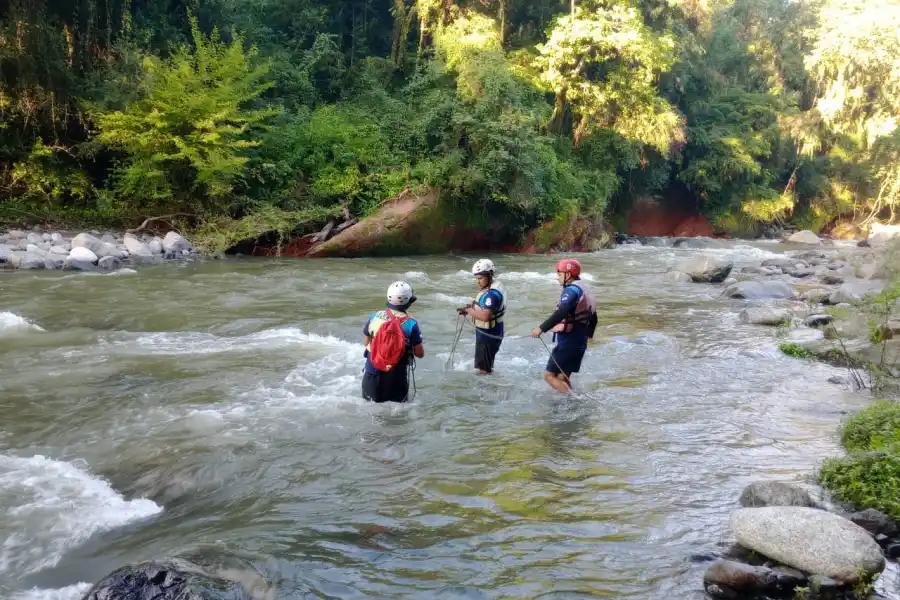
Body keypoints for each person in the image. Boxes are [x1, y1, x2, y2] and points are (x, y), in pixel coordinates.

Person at [531, 258, 598, 393]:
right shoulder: (584, 288)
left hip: (569, 341)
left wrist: (541, 328)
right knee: (562, 376)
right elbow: (594, 317)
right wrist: (589, 334)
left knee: (549, 376)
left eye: (560, 273)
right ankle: (569, 402)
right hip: (580, 340)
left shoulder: (571, 291)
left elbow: (562, 312)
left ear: (568, 274)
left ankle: (573, 400)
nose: (557, 277)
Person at [362, 281, 425, 403]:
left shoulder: (374, 316)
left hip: (372, 372)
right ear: (408, 301)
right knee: (397, 414)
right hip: (396, 376)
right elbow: (420, 353)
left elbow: (366, 342)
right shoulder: (411, 323)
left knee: (370, 409)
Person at [459, 258, 506, 374]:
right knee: (487, 366)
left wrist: (469, 310)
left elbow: (486, 316)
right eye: (476, 278)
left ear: (490, 275)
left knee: (484, 370)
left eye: (480, 278)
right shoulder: (495, 286)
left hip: (488, 336)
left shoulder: (491, 295)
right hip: (494, 332)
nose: (478, 282)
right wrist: (471, 309)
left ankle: (484, 390)